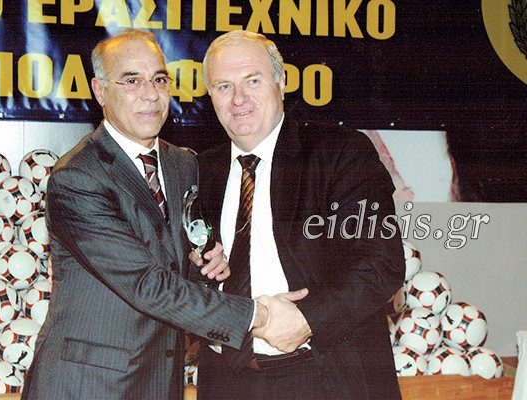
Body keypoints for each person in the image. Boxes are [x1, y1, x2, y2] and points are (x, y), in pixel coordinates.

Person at [21, 29, 308, 400]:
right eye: (132, 81)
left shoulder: (182, 164)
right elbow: (145, 283)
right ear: (100, 90)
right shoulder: (78, 177)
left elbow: (174, 262)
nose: (151, 94)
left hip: (159, 381)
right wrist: (259, 316)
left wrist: (204, 264)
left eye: (159, 79)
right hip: (88, 385)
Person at [193, 30, 405, 399]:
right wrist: (198, 265)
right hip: (223, 381)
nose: (239, 98)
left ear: (281, 82)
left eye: (253, 81)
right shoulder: (199, 170)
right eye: (224, 86)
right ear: (210, 95)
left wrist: (308, 320)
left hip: (320, 379)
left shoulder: (341, 153)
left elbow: (380, 263)